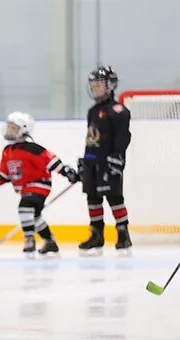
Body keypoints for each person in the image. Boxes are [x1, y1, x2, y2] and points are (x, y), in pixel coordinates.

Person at [0, 112, 79, 257]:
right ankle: (49, 242)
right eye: (8, 127)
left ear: (23, 130)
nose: (9, 130)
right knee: (34, 216)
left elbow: (51, 161)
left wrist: (67, 172)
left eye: (13, 128)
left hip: (40, 185)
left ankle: (29, 239)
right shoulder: (7, 151)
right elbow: (6, 174)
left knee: (25, 207)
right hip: (24, 189)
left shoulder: (32, 148)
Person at [79, 65, 132, 254]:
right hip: (93, 162)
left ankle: (123, 233)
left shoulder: (118, 110)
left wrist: (117, 157)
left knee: (114, 197)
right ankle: (97, 234)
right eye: (93, 85)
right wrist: (85, 160)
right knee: (92, 197)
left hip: (110, 162)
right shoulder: (93, 111)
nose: (95, 88)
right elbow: (92, 138)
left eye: (99, 84)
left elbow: (123, 137)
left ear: (110, 85)